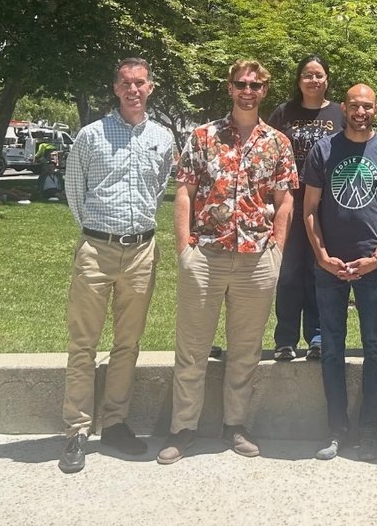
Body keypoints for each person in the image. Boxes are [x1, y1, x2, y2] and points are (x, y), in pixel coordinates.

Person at [157, 60, 297, 465]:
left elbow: (284, 199)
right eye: (241, 83)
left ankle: (235, 425)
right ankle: (183, 428)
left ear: (265, 90)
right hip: (207, 256)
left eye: (255, 84)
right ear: (230, 87)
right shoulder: (202, 136)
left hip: (257, 259)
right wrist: (184, 247)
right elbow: (185, 191)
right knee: (193, 347)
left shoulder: (277, 142)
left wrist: (278, 248)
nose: (247, 90)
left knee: (245, 349)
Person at [59, 58, 175, 473]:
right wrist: (99, 235)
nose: (133, 89)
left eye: (140, 82)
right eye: (126, 83)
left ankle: (115, 423)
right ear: (115, 88)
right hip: (96, 249)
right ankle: (76, 429)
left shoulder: (163, 137)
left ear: (150, 87)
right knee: (83, 344)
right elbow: (75, 192)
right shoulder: (90, 136)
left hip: (142, 253)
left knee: (128, 343)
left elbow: (161, 186)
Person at [305, 84, 377, 463]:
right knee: (331, 348)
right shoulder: (324, 149)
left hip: (370, 266)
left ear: (375, 108)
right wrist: (322, 256)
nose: (361, 111)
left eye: (367, 106)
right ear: (343, 108)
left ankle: (369, 429)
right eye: (354, 106)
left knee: (374, 348)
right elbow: (310, 209)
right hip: (329, 266)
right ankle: (336, 429)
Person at [266, 55, 345, 362]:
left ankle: (317, 335)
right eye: (307, 75)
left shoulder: (339, 113)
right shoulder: (283, 112)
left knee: (319, 271)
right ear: (298, 80)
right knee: (289, 272)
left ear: (327, 79)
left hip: (328, 205)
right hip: (288, 202)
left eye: (319, 75)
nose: (313, 80)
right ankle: (285, 338)